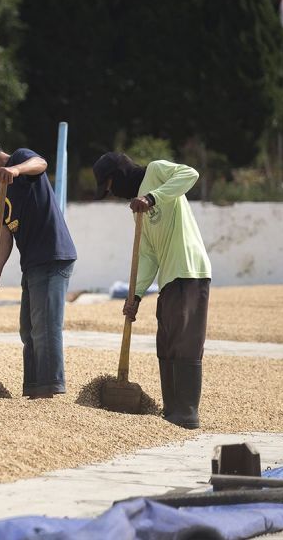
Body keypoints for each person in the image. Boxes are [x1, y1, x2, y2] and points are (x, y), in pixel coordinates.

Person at [92, 152, 211, 429]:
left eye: (109, 187)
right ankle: (171, 410)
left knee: (185, 341)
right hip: (169, 278)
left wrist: (152, 197)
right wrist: (135, 294)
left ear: (119, 176)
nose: (113, 195)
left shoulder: (157, 172)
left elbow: (190, 174)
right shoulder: (138, 212)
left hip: (189, 269)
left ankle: (187, 412)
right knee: (166, 341)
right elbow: (147, 256)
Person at [0, 133, 77, 399]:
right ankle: (34, 389)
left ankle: (49, 389)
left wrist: (15, 170)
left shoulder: (21, 159)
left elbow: (41, 163)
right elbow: (4, 234)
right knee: (28, 329)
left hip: (52, 254)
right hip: (32, 261)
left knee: (45, 325)